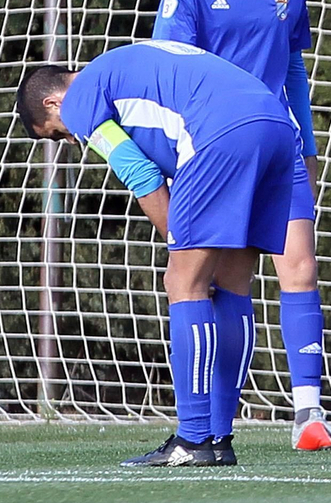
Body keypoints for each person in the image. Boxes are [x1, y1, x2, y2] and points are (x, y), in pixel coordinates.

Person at [152, 0, 331, 452]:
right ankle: (215, 423)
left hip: (280, 147)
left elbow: (293, 68)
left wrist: (310, 146)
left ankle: (308, 416)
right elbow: (175, 73)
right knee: (217, 283)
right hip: (216, 152)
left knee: (301, 267)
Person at [16, 41, 296, 466]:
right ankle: (219, 439)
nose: (69, 139)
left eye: (56, 132)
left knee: (183, 281)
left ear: (53, 102)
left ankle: (193, 438)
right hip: (275, 125)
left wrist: (177, 239)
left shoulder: (82, 96)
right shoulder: (123, 64)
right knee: (234, 283)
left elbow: (138, 170)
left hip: (220, 131)